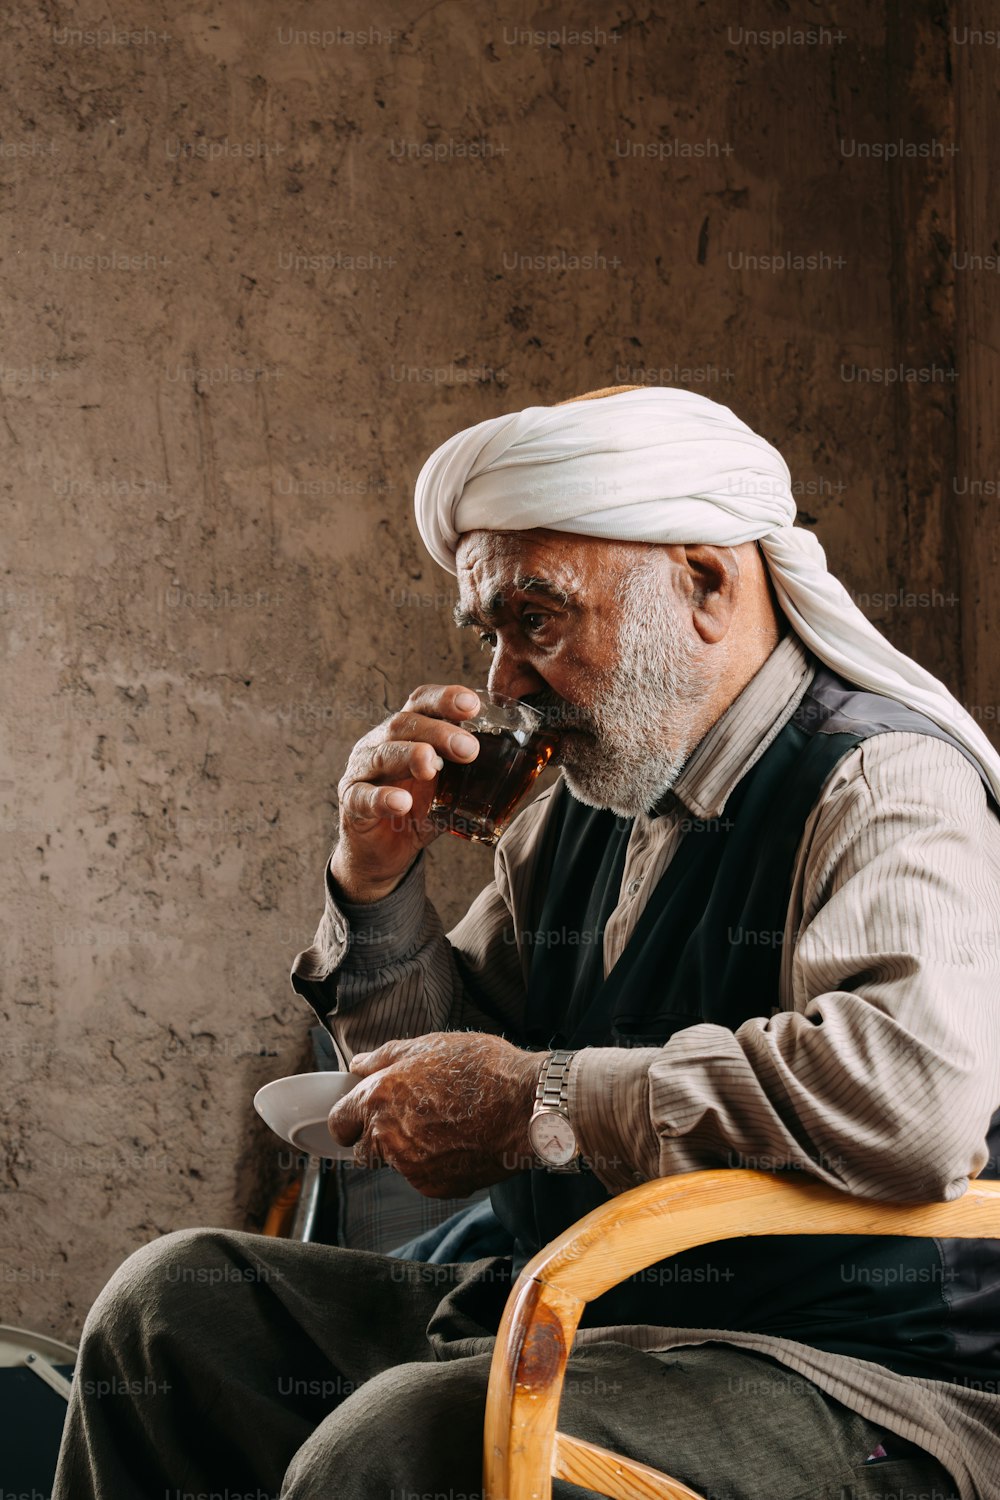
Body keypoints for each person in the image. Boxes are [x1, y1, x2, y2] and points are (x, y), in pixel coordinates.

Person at [53, 386, 1000, 1500]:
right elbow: (446, 1063)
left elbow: (913, 1101)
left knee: (407, 1439)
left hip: (842, 1377)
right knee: (175, 1312)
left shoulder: (882, 778)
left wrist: (537, 1101)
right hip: (582, 1312)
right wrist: (379, 878)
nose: (504, 681)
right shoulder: (591, 794)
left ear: (703, 583)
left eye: (536, 621)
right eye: (492, 634)